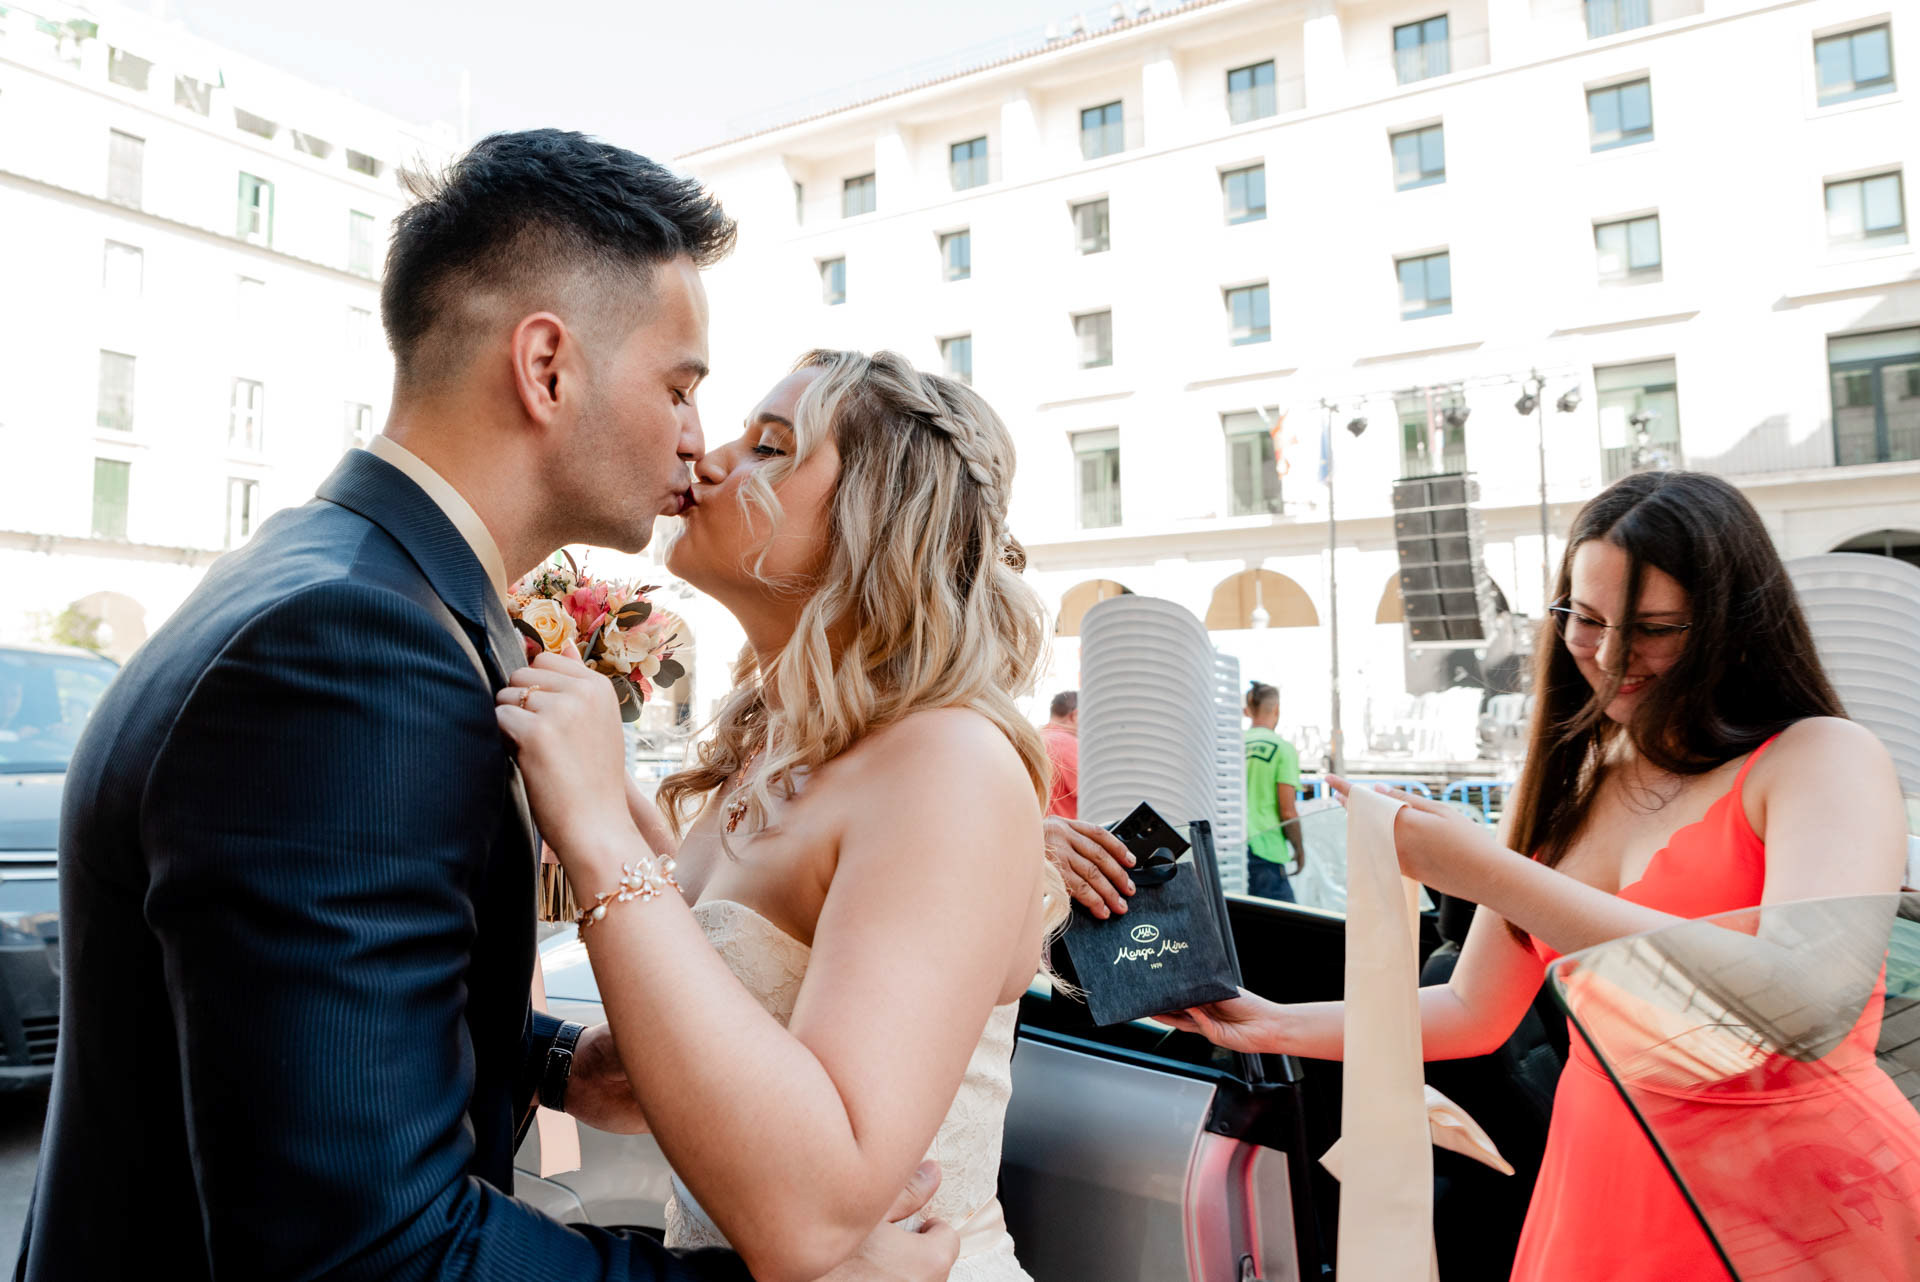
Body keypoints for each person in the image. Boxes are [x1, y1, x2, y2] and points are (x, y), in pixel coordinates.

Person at [20, 131, 956, 1282]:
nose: (695, 440)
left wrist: (555, 1062)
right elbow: (373, 1255)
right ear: (547, 367)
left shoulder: (330, 577)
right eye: (679, 387)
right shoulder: (351, 647)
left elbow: (292, 1024)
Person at [1162, 471, 1918, 1281]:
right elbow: (1473, 1011)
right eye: (1585, 620)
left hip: (1797, 1196)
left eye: (1653, 629)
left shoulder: (1822, 757)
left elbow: (1809, 1003)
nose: (1611, 656)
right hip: (1608, 1177)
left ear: (1735, 626)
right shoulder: (1573, 778)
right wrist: (1270, 1024)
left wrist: (1489, 872)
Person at [496, 350, 1062, 1282]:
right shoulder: (770, 754)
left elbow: (812, 1219)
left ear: (878, 514)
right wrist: (569, 1062)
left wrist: (599, 837)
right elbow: (697, 1059)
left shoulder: (946, 763)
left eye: (769, 447)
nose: (709, 458)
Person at [1243, 681, 1304, 903]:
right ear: (1276, 709)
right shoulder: (1282, 749)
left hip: (1234, 849)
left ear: (1248, 710)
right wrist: (1299, 848)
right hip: (1266, 849)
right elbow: (1287, 811)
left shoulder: (1233, 745)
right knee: (1285, 921)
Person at [1039, 691, 1078, 819]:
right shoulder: (1068, 744)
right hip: (1065, 830)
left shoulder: (1035, 740)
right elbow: (1098, 795)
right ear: (1075, 716)